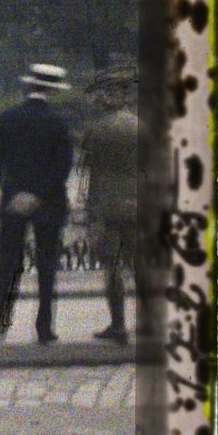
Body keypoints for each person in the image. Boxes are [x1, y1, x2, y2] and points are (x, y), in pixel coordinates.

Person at [0, 62, 76, 344]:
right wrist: (37, 195)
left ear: (29, 86)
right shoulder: (60, 122)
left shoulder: (7, 117)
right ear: (53, 90)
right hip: (48, 203)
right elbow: (62, 167)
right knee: (47, 266)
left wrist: (13, 191)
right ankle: (44, 327)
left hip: (13, 202)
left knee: (8, 264)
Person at [78, 68, 141, 344]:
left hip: (107, 204)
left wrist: (90, 213)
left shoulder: (97, 130)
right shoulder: (141, 127)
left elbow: (89, 173)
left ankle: (118, 325)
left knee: (112, 267)